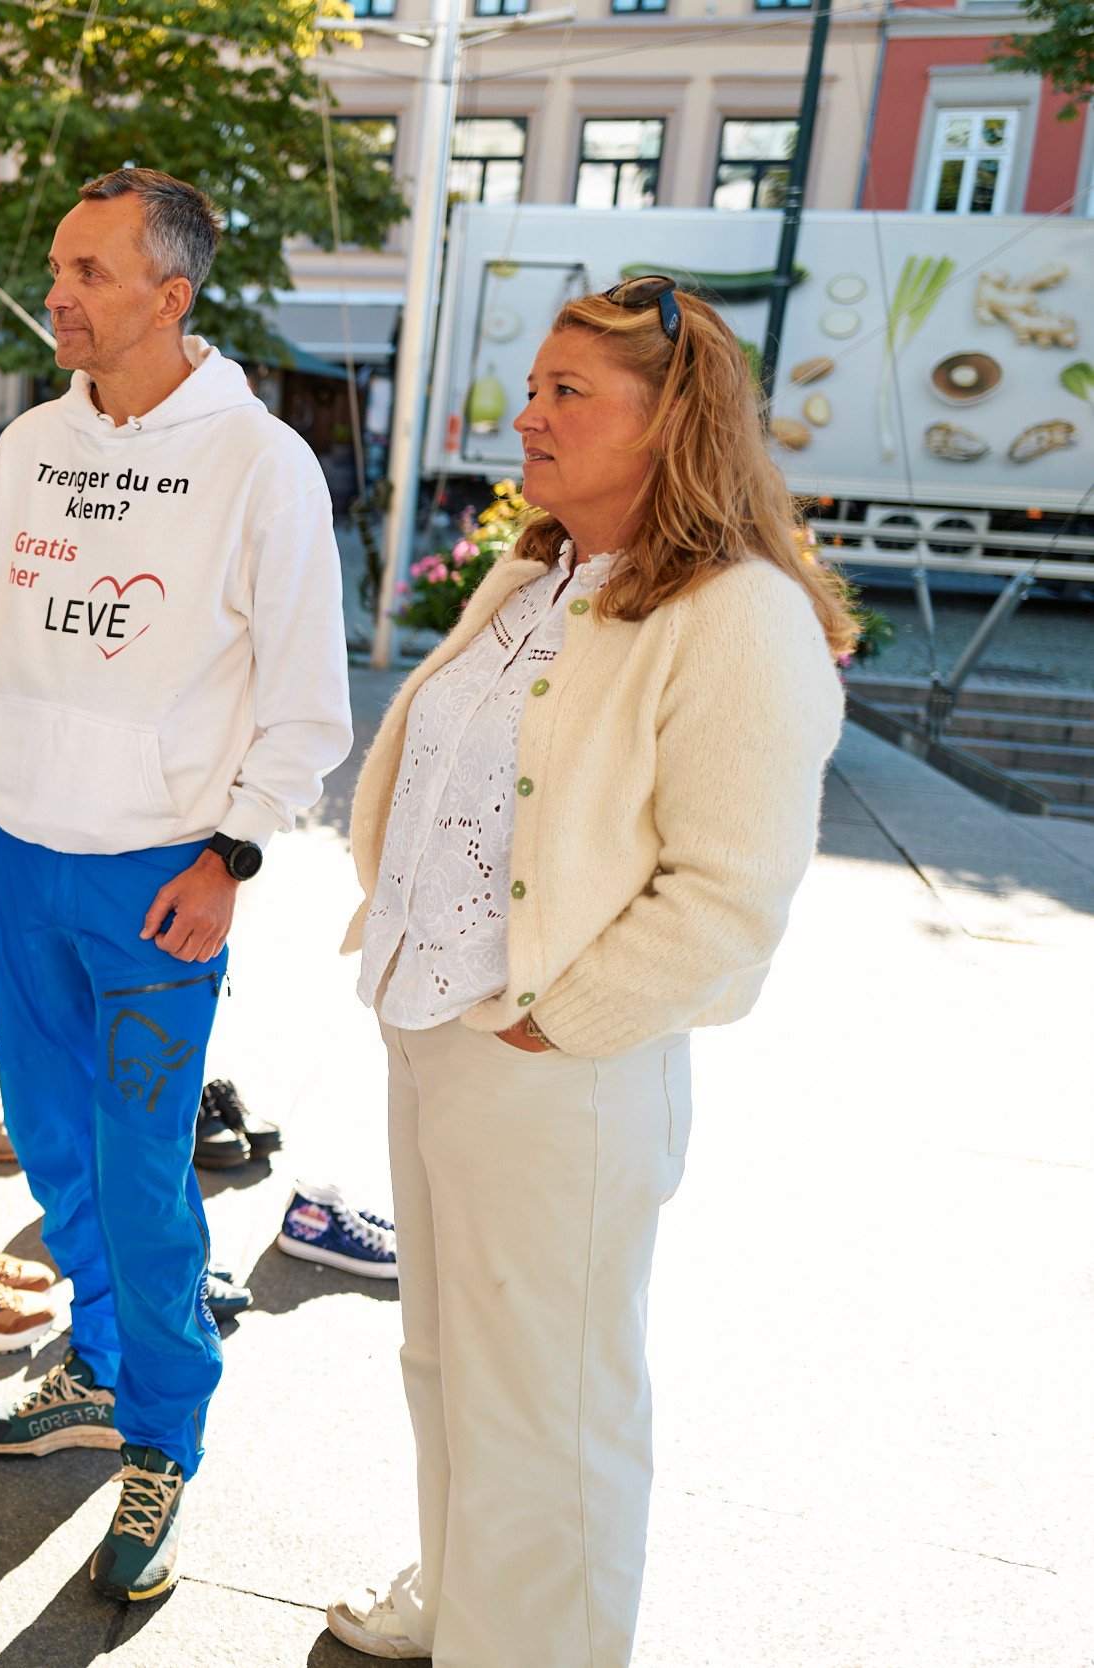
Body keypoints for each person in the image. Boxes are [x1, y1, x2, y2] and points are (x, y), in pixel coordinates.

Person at [324, 279, 850, 1665]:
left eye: (570, 392)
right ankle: (464, 1603)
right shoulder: (536, 569)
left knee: (551, 1406)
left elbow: (730, 896)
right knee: (445, 1363)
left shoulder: (740, 615)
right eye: (536, 384)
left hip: (559, 1068)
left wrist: (559, 1022)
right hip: (436, 1026)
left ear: (673, 422)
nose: (528, 412)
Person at [0, 168, 353, 1602]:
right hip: (29, 859)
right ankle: (104, 1367)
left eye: (91, 272)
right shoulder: (30, 448)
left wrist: (233, 852)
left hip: (160, 881)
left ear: (171, 296)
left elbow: (308, 700)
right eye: (58, 267)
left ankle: (164, 1434)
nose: (59, 293)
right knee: (53, 1153)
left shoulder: (258, 462)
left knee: (139, 1168)